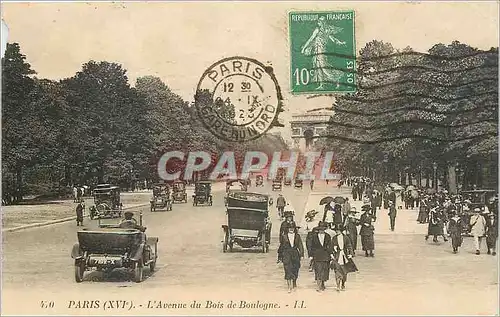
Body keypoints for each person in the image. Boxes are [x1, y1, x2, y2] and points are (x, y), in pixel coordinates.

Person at [277, 224, 304, 293]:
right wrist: (279, 256)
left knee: (295, 269)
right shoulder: (284, 236)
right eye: (289, 228)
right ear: (287, 229)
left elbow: (300, 245)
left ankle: (294, 283)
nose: (291, 229)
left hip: (295, 254)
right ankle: (289, 286)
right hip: (286, 254)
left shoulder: (297, 236)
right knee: (287, 269)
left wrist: (301, 254)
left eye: (292, 228)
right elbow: (281, 247)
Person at [331, 224, 357, 291]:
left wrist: (351, 254)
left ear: (341, 231)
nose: (337, 231)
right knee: (337, 270)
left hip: (344, 256)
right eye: (336, 230)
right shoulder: (334, 238)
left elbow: (349, 246)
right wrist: (333, 251)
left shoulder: (346, 238)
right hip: (337, 256)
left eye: (339, 230)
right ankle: (338, 285)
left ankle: (343, 283)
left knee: (344, 271)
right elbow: (331, 247)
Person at [309, 221, 333, 292]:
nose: (321, 231)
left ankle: (323, 283)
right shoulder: (314, 236)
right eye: (320, 229)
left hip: (326, 255)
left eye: (323, 229)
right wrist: (311, 255)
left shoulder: (328, 236)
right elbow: (311, 246)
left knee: (325, 270)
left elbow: (330, 246)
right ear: (318, 229)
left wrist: (331, 254)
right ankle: (319, 286)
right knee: (318, 270)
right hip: (317, 255)